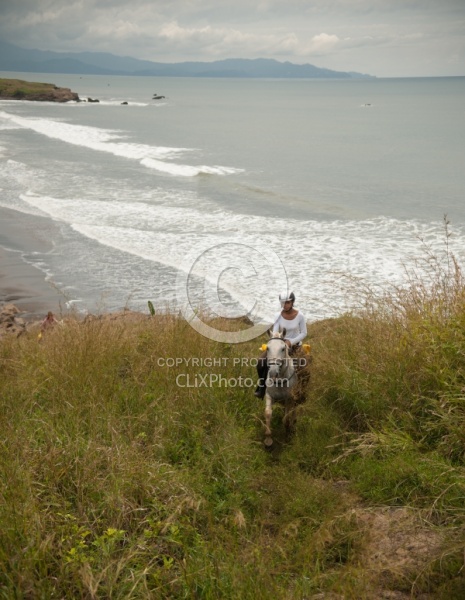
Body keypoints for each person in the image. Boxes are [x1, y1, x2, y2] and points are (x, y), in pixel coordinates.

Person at [254, 291, 309, 399]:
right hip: (280, 346)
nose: (285, 305)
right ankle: (261, 388)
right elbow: (275, 332)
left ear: (292, 302)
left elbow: (304, 333)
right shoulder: (278, 316)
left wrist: (290, 342)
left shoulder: (300, 316)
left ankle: (301, 391)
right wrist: (277, 341)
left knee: (304, 365)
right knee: (261, 362)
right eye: (283, 302)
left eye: (287, 302)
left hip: (295, 346)